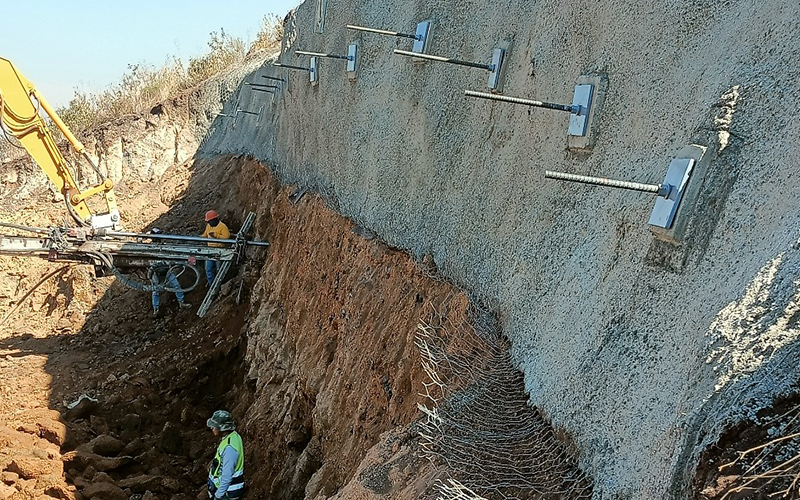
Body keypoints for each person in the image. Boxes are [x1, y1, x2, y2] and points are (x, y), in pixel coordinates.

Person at [206, 410, 245, 499]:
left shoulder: (229, 447)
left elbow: (227, 475)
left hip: (227, 493)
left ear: (222, 428)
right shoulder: (233, 436)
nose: (212, 428)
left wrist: (218, 495)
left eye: (214, 426)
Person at [201, 210, 230, 286]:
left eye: (210, 221)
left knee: (219, 269)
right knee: (208, 269)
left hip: (220, 251)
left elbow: (226, 237)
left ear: (214, 219)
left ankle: (219, 285)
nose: (209, 223)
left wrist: (216, 236)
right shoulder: (208, 226)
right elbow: (205, 235)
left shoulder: (222, 227)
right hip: (210, 250)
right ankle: (211, 285)